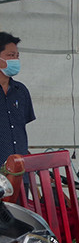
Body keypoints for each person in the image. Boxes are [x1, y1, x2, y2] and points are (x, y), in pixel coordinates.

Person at [0, 32, 35, 165]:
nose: (15, 60)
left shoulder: (21, 91)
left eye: (17, 56)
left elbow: (20, 129)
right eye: (10, 55)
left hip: (20, 171)